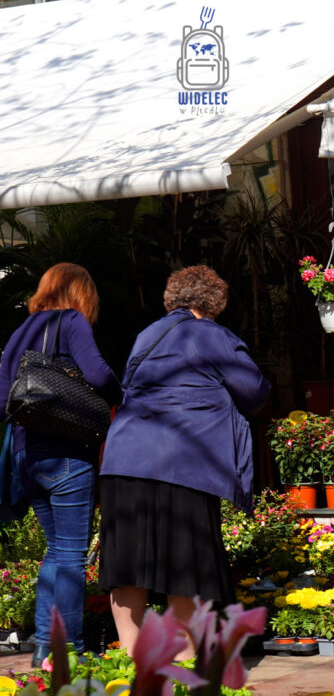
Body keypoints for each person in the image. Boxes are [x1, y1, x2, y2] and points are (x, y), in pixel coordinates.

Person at [98, 265, 269, 658]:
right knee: (186, 564)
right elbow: (254, 392)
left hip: (124, 460)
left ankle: (130, 660)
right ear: (215, 303)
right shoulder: (212, 334)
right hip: (185, 462)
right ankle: (185, 662)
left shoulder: (147, 335)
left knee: (127, 565)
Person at [0, 263, 122, 667]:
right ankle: (68, 650)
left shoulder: (20, 332)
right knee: (71, 554)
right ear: (82, 294)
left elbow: (3, 401)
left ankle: (44, 649)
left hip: (26, 458)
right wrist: (122, 393)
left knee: (55, 551)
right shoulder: (71, 321)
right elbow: (98, 375)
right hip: (67, 451)